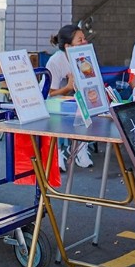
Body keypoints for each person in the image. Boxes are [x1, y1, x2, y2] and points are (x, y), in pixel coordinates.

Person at [45, 24, 94, 170]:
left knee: (88, 104)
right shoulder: (55, 61)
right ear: (68, 46)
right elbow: (49, 94)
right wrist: (68, 87)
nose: (84, 42)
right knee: (59, 114)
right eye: (80, 40)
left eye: (84, 39)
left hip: (74, 98)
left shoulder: (84, 57)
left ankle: (80, 148)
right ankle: (58, 152)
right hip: (52, 100)